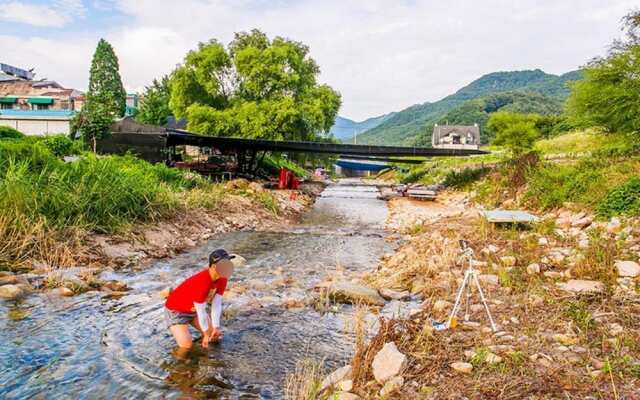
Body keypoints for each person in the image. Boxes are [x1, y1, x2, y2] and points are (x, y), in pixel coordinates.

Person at [164, 249, 240, 350]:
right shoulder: (203, 281)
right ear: (214, 266)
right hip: (176, 311)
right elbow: (201, 311)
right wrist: (205, 333)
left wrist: (216, 327)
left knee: (215, 337)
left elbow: (216, 304)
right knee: (186, 347)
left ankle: (206, 356)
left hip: (194, 310)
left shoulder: (222, 278)